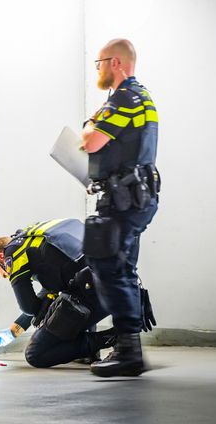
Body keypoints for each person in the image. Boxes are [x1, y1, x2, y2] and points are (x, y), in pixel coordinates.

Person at [81, 38, 160, 377]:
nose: (97, 70)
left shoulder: (125, 98)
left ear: (116, 63)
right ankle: (128, 346)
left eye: (99, 63)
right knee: (121, 267)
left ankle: (128, 350)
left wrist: (88, 126)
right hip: (134, 196)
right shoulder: (141, 97)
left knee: (110, 265)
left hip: (124, 199)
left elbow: (90, 141)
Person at [0, 218, 117, 368]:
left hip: (94, 292)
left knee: (35, 354)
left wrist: (45, 313)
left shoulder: (12, 252)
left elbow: (30, 307)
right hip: (116, 286)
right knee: (67, 303)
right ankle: (90, 352)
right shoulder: (35, 237)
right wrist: (12, 332)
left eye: (4, 273)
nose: (8, 275)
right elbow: (48, 293)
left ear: (1, 257)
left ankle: (112, 337)